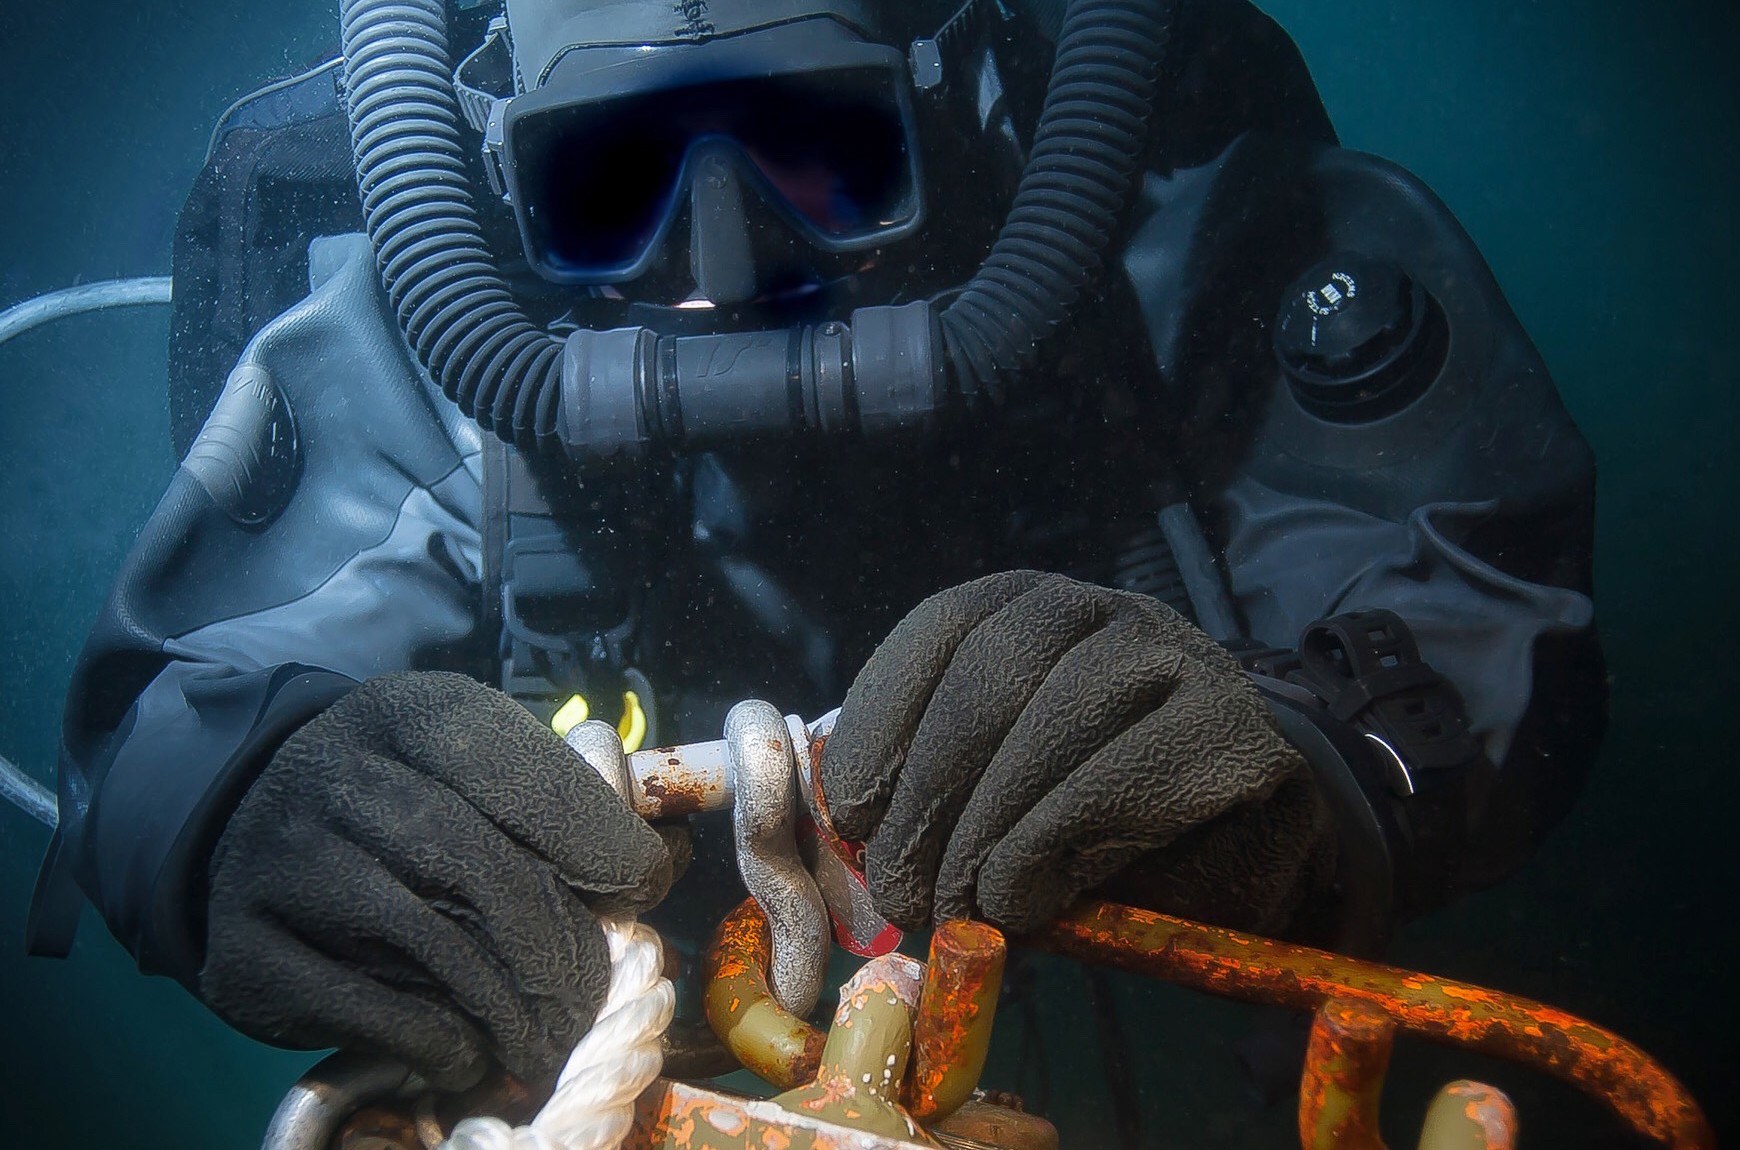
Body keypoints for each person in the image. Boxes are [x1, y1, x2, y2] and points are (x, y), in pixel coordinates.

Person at [27, 0, 1605, 1115]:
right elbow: (173, 706)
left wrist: (1302, 760)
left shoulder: (1153, 226)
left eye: (818, 152)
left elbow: (1464, 585)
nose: (726, 269)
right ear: (514, 175)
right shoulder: (448, 323)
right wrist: (249, 799)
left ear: (938, 88)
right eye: (614, 181)